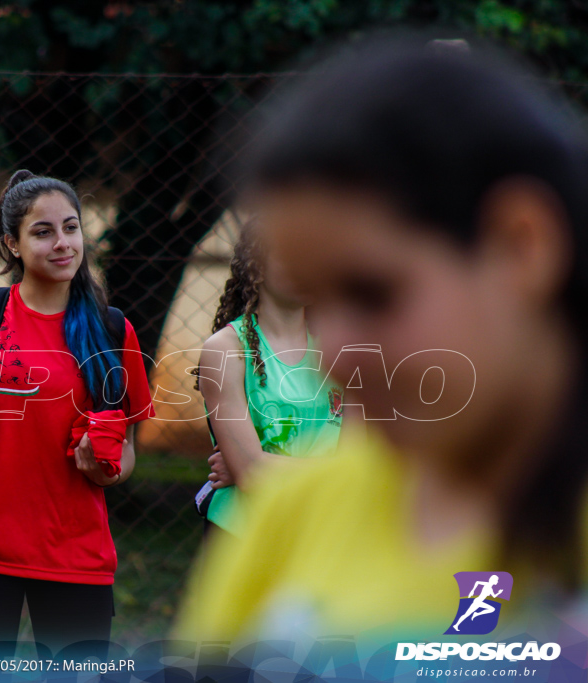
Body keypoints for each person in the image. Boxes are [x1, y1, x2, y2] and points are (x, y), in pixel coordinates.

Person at [176, 36, 588, 645]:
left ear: (520, 247)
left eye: (373, 294)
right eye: (317, 296)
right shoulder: (294, 520)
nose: (337, 352)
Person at [0, 170, 155, 661]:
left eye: (71, 228)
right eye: (43, 232)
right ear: (12, 244)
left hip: (76, 556)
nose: (62, 243)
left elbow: (125, 452)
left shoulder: (112, 329)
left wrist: (106, 469)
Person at [194, 222, 344, 534]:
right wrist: (250, 467)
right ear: (257, 266)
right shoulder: (225, 349)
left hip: (323, 533)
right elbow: (251, 476)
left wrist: (262, 464)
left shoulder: (341, 350)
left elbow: (366, 466)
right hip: (247, 535)